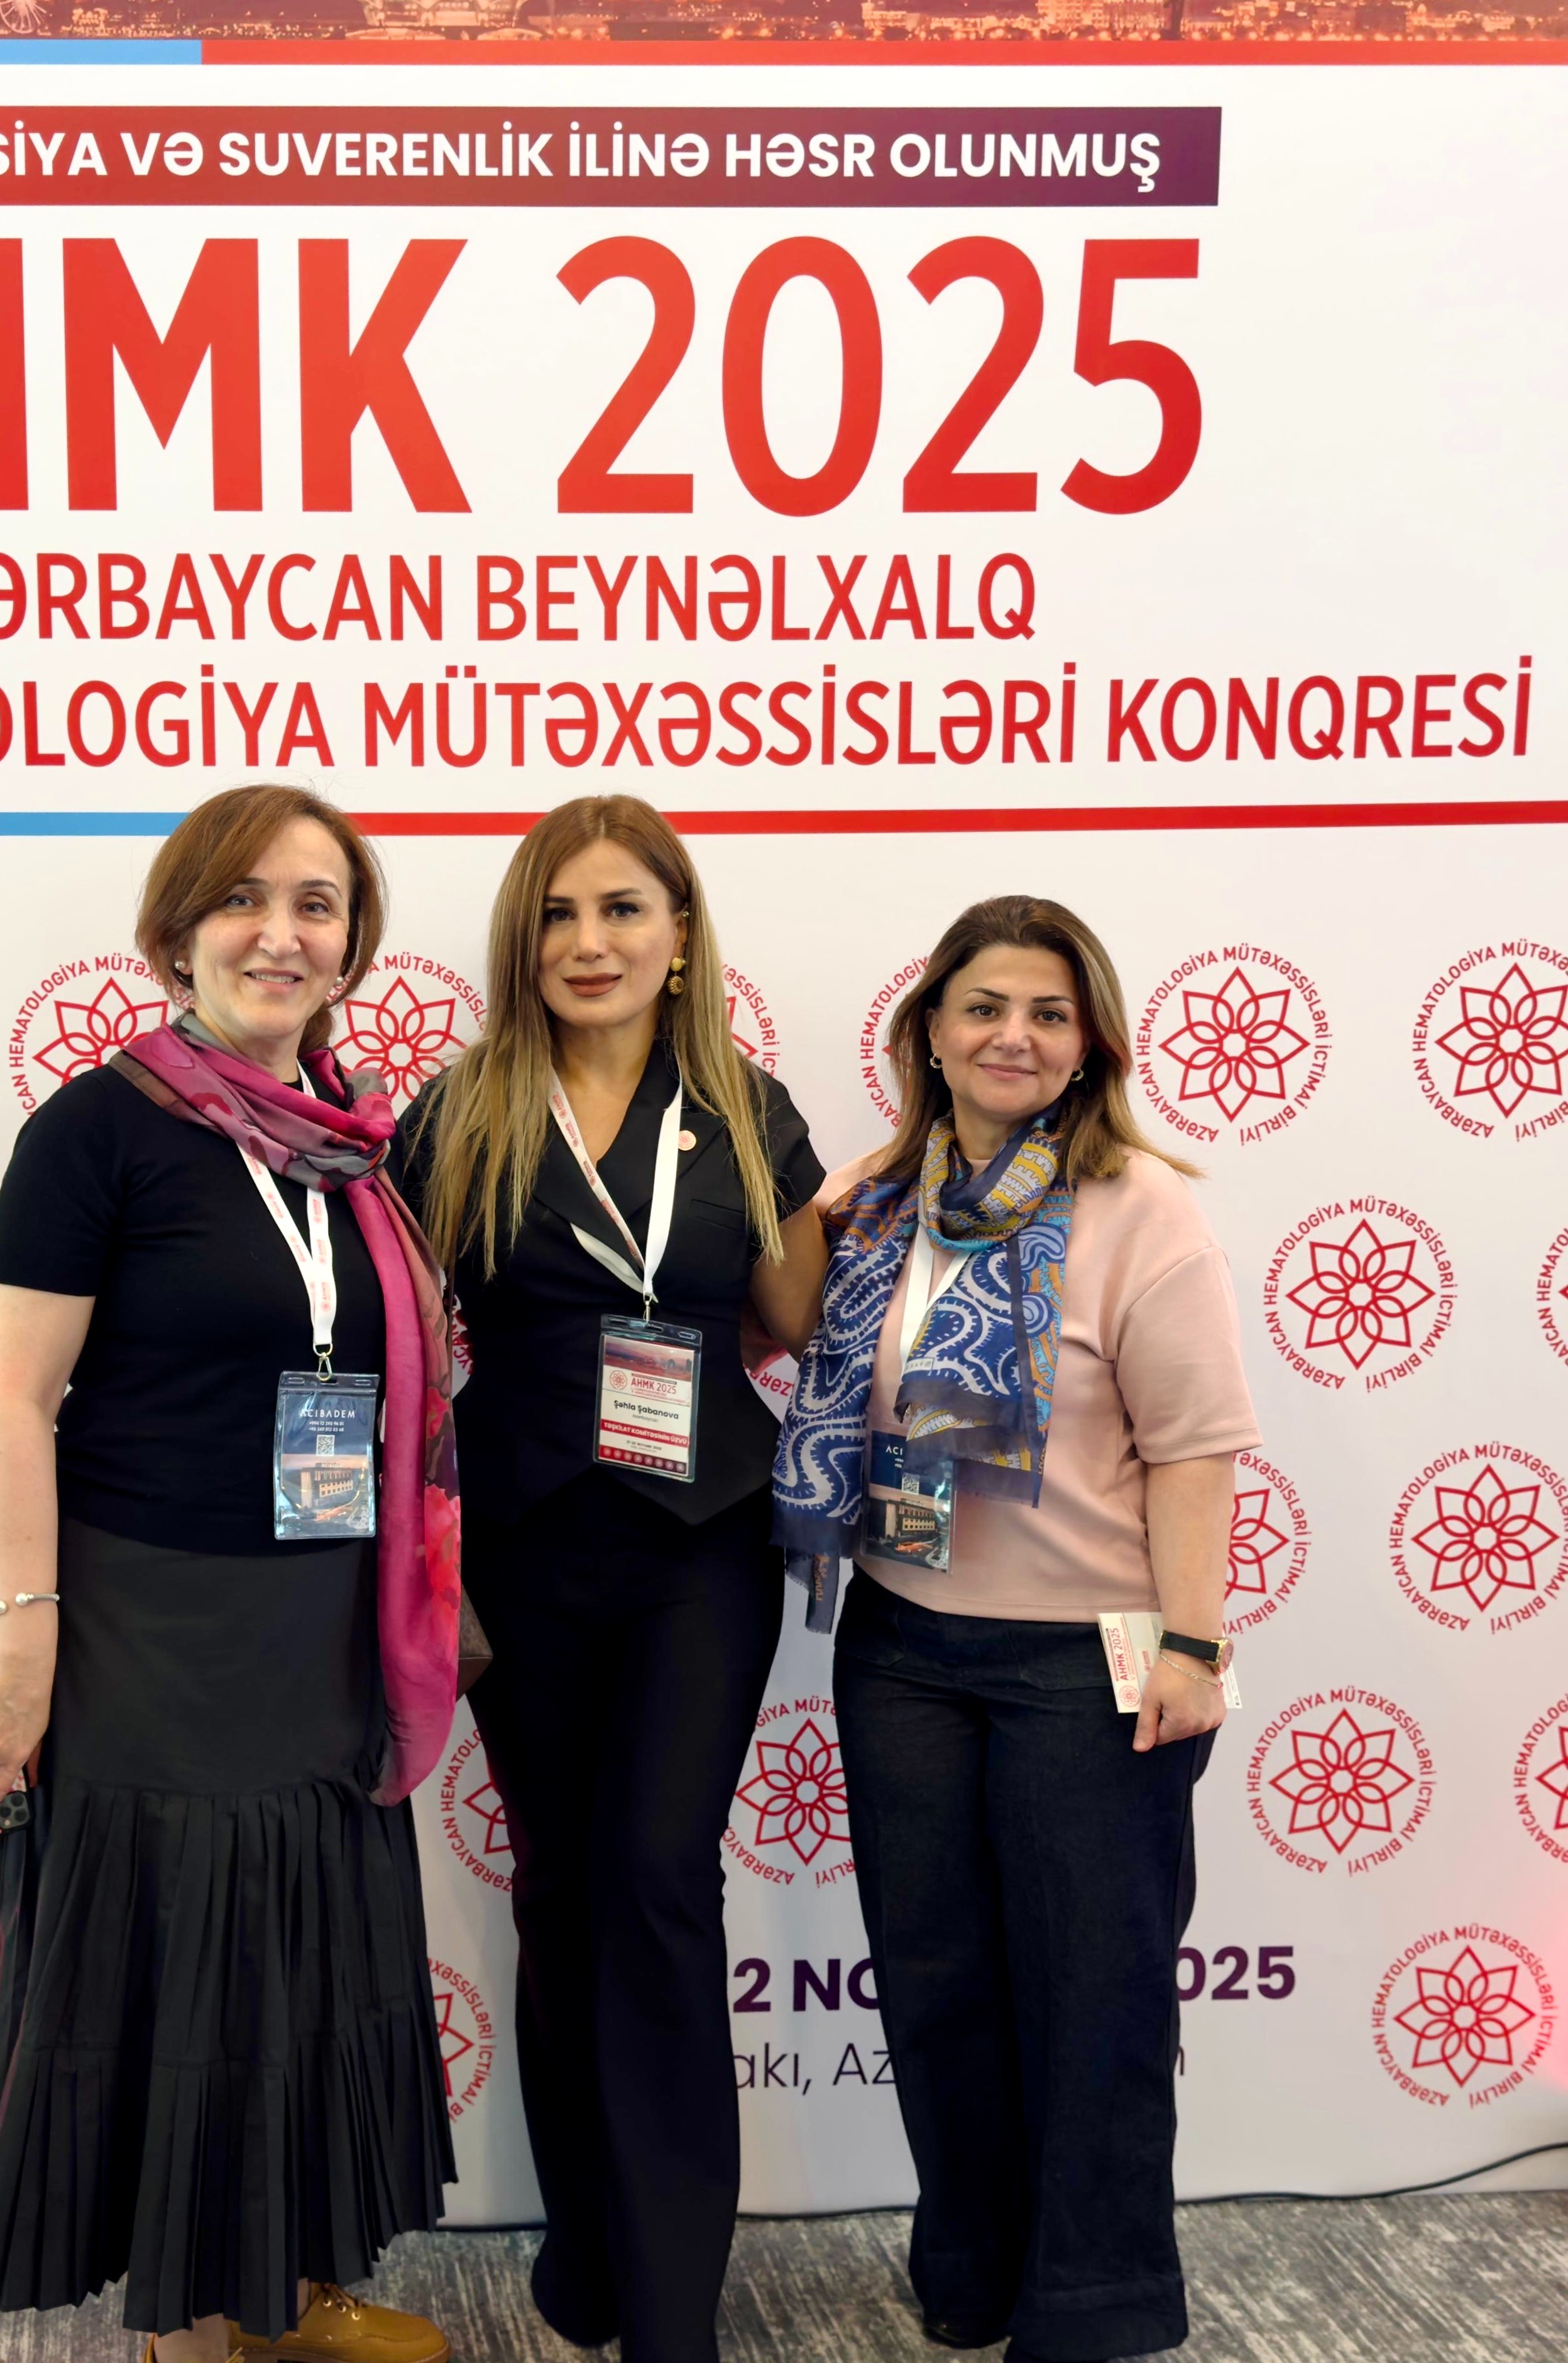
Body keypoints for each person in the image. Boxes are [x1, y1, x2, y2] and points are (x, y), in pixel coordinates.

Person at [0, 785, 463, 2363]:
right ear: (176, 933)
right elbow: (13, 1397)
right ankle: (188, 2331)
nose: (278, 933)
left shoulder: (356, 1148)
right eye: (242, 898)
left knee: (298, 1960)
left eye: (315, 903)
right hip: (152, 1625)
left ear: (350, 943)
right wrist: (22, 1648)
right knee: (192, 1973)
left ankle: (277, 2293)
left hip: (320, 1619)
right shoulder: (94, 1130)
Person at [775, 895, 1259, 2363]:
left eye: (1048, 1012)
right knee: (933, 1977)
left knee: (1092, 1990)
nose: (1013, 1034)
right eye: (983, 1004)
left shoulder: (1141, 1208)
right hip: (901, 1644)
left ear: (1088, 1043)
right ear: (928, 1028)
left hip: (1081, 1661)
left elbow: (1194, 1445)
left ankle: (1092, 2299)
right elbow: (779, 1330)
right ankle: (971, 2261)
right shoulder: (875, 1202)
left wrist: (1193, 1644)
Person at [392, 796, 829, 2363]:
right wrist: (428, 1573)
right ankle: (583, 2255)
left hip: (698, 1549)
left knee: (652, 1880)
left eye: (622, 909)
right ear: (523, 942)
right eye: (558, 915)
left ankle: (665, 2309)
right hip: (520, 1548)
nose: (589, 942)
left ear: (678, 933)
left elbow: (791, 1313)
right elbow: (400, 1348)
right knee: (561, 1889)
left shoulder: (746, 1106)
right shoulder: (456, 1112)